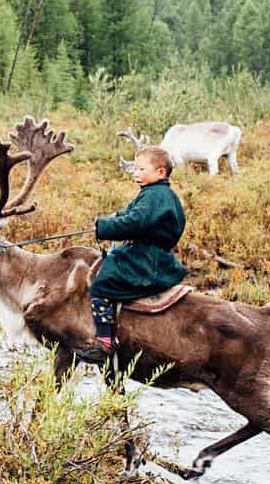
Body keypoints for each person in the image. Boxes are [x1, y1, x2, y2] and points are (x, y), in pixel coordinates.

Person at [75, 145, 188, 364]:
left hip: (146, 259)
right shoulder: (156, 194)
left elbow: (136, 222)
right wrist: (113, 219)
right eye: (135, 169)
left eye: (141, 169)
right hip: (148, 253)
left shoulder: (155, 195)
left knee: (101, 285)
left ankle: (105, 342)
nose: (135, 173)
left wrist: (105, 227)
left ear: (160, 173)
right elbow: (131, 214)